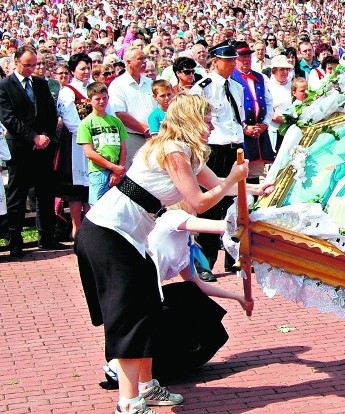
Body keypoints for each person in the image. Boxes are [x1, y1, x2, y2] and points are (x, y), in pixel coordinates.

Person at [75, 94, 268, 414]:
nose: (210, 126)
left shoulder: (188, 152)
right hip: (108, 233)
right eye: (206, 120)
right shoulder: (172, 150)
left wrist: (259, 187)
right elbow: (199, 202)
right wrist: (234, 179)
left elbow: (220, 185)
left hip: (130, 236)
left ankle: (148, 386)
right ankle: (128, 402)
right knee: (131, 318)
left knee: (150, 309)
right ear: (190, 120)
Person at [102, 204, 253, 387]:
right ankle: (124, 365)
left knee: (191, 295)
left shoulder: (184, 239)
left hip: (148, 295)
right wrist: (248, 222)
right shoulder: (173, 217)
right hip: (136, 296)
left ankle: (150, 367)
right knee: (186, 300)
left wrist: (238, 298)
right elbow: (223, 227)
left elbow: (197, 284)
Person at [0, 44, 65, 258]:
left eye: (34, 65)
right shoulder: (5, 86)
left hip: (43, 148)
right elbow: (9, 118)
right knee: (17, 197)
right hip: (19, 149)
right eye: (27, 65)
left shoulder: (40, 84)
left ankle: (46, 236)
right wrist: (32, 137)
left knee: (45, 193)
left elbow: (49, 112)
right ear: (16, 62)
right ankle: (15, 240)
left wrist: (45, 135)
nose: (31, 69)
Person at [189, 41, 246, 275]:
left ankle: (233, 257)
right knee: (211, 206)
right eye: (228, 60)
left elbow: (239, 118)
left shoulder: (237, 87)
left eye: (234, 60)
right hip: (214, 148)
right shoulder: (203, 87)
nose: (233, 64)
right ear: (215, 62)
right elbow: (194, 116)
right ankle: (205, 264)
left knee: (234, 204)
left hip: (235, 147)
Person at [55, 53, 93, 239]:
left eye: (88, 68)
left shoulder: (95, 88)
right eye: (82, 68)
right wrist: (88, 137)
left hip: (96, 142)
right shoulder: (67, 92)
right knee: (76, 187)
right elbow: (70, 120)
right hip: (75, 144)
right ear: (72, 71)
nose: (86, 72)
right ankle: (77, 227)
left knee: (91, 186)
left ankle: (91, 226)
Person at [76, 81, 127, 205]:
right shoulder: (86, 123)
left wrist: (117, 170)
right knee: (98, 206)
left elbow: (123, 148)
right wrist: (112, 167)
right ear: (89, 101)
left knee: (117, 205)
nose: (101, 102)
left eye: (104, 98)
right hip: (98, 171)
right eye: (97, 99)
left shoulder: (116, 121)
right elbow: (89, 152)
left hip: (117, 170)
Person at [230, 41, 275, 183]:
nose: (246, 60)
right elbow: (230, 108)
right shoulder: (231, 79)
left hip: (259, 133)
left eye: (248, 57)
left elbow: (268, 101)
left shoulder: (259, 77)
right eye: (242, 57)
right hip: (241, 134)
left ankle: (255, 204)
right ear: (234, 60)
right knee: (240, 176)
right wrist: (244, 127)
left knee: (255, 176)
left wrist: (265, 124)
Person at [108, 46, 156, 169]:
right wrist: (144, 129)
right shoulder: (118, 85)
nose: (144, 61)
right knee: (134, 173)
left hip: (154, 137)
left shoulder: (149, 83)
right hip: (132, 137)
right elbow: (119, 113)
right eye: (140, 59)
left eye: (145, 58)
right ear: (128, 62)